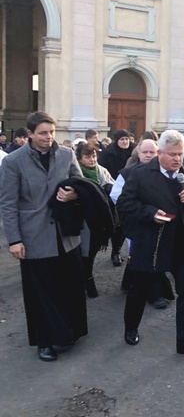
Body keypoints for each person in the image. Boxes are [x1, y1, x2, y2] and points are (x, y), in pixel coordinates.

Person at [0, 111, 86, 362]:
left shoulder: (67, 154)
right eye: (43, 133)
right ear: (30, 134)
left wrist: (73, 195)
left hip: (65, 233)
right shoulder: (13, 162)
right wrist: (14, 240)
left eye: (51, 132)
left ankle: (70, 332)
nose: (49, 137)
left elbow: (81, 185)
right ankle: (45, 341)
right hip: (33, 236)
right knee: (41, 293)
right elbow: (7, 203)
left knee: (69, 286)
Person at [117, 130, 184, 357]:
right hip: (153, 243)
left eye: (180, 154)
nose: (177, 159)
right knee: (139, 290)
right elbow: (124, 203)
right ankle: (131, 328)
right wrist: (150, 213)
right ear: (159, 153)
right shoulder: (140, 174)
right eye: (172, 154)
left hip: (183, 244)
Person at [112, 139, 173, 310]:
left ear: (158, 153)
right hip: (137, 221)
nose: (148, 155)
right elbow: (117, 195)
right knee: (143, 256)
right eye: (144, 152)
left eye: (151, 152)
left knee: (151, 256)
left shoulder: (165, 171)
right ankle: (155, 295)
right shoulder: (127, 173)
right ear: (138, 153)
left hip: (162, 222)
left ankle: (133, 285)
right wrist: (140, 207)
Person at [75, 142, 115, 298]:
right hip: (81, 219)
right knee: (83, 252)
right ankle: (86, 280)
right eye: (87, 156)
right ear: (80, 158)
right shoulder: (76, 172)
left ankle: (87, 277)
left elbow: (111, 184)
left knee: (91, 251)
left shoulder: (101, 171)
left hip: (98, 218)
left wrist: (106, 191)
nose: (92, 160)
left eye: (94, 156)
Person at [99, 129, 136, 266]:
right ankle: (116, 251)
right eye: (122, 139)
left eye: (127, 139)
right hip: (112, 193)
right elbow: (103, 172)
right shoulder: (108, 154)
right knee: (117, 224)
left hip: (131, 192)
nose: (125, 142)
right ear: (116, 140)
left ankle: (129, 251)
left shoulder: (135, 153)